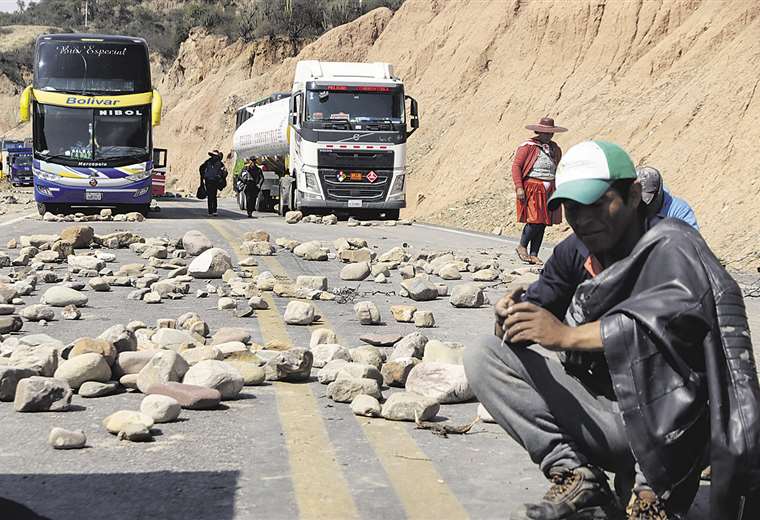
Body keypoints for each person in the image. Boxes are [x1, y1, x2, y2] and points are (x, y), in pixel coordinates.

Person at [464, 141, 760, 520]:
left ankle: (651, 493)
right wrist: (513, 315)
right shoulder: (575, 252)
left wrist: (568, 336)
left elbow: (676, 328)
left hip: (673, 431)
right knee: (484, 355)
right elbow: (540, 307)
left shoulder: (672, 245)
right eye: (573, 208)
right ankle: (576, 474)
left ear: (633, 194)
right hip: (609, 414)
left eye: (599, 203)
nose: (585, 219)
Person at [512, 117, 567, 265]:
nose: (549, 136)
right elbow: (516, 166)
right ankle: (522, 246)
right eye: (546, 132)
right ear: (539, 131)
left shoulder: (555, 148)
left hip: (549, 188)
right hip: (533, 186)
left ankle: (534, 253)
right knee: (534, 219)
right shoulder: (528, 146)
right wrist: (519, 187)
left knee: (543, 222)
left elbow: (558, 166)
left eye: (551, 133)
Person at [635, 166, 699, 230]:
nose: (641, 205)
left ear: (658, 194)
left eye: (645, 201)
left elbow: (692, 237)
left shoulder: (679, 211)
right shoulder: (630, 205)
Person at [199, 150, 227, 216]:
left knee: (214, 195)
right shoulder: (207, 162)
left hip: (215, 181)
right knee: (210, 196)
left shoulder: (220, 163)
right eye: (214, 156)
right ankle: (210, 211)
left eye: (216, 156)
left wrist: (221, 178)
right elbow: (201, 168)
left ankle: (214, 210)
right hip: (208, 181)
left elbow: (224, 172)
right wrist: (203, 177)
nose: (215, 157)